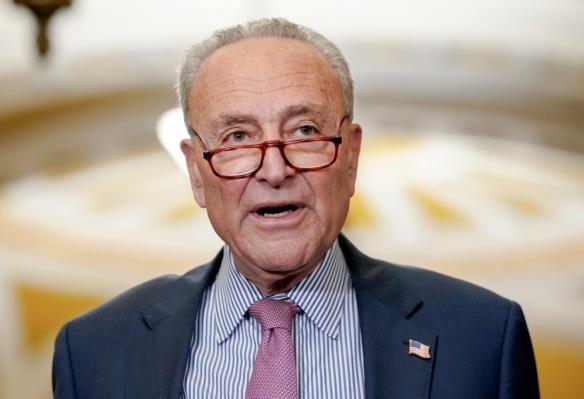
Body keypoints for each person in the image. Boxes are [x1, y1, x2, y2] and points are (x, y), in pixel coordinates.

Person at [52, 18, 539, 399]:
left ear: (349, 157)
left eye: (304, 131)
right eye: (237, 138)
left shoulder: (481, 337)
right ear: (196, 172)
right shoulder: (95, 349)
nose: (274, 169)